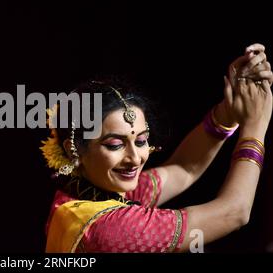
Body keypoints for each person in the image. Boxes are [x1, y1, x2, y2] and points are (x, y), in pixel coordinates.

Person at [40, 43, 273, 253]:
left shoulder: (87, 194)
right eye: (115, 145)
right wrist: (256, 124)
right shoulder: (109, 228)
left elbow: (184, 169)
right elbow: (234, 213)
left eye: (141, 141)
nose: (135, 158)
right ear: (74, 150)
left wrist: (229, 113)